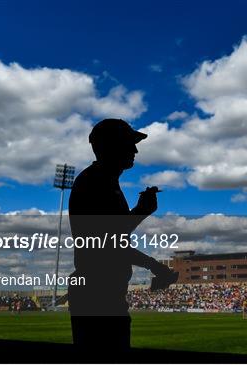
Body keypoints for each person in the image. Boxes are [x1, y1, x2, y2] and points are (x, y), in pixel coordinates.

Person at [68, 118, 178, 353]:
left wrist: (154, 265)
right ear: (110, 146)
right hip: (98, 297)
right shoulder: (94, 182)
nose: (135, 150)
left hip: (102, 294)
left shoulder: (104, 182)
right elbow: (107, 241)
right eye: (130, 143)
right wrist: (141, 212)